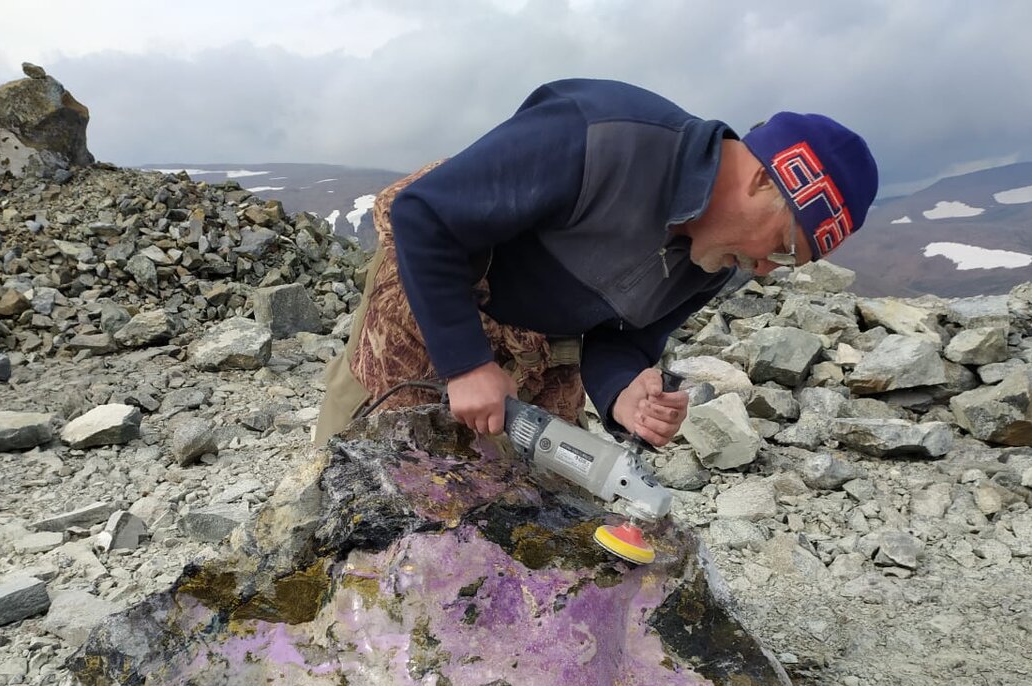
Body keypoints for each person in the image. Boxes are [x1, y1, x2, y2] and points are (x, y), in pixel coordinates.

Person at [315, 78, 877, 448]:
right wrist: (464, 364)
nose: (763, 271)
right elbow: (425, 216)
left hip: (544, 348)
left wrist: (623, 394)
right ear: (763, 179)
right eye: (781, 248)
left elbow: (624, 338)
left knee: (511, 503)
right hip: (438, 288)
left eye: (787, 265)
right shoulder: (602, 134)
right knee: (364, 464)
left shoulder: (720, 259)